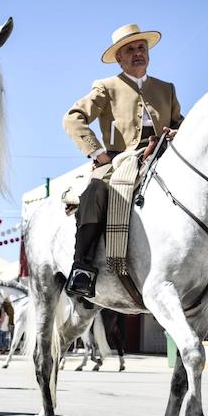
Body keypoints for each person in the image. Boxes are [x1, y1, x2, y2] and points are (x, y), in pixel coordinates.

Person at [62, 23, 183, 296]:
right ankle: (81, 267)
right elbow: (73, 118)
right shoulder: (106, 87)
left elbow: (180, 123)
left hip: (163, 156)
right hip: (120, 160)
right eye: (130, 50)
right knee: (94, 191)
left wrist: (178, 131)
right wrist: (98, 153)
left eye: (142, 48)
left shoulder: (167, 89)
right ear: (119, 58)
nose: (138, 53)